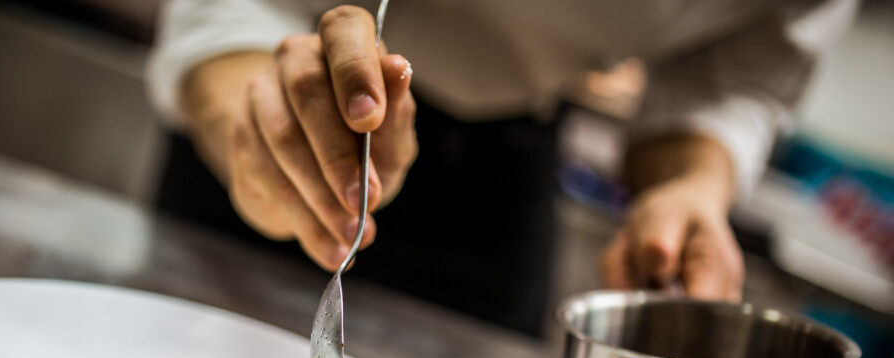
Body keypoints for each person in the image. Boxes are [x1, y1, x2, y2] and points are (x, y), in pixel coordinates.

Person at [145, 0, 857, 336]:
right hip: (273, 76)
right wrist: (243, 111)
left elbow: (731, 73)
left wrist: (690, 186)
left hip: (505, 177)